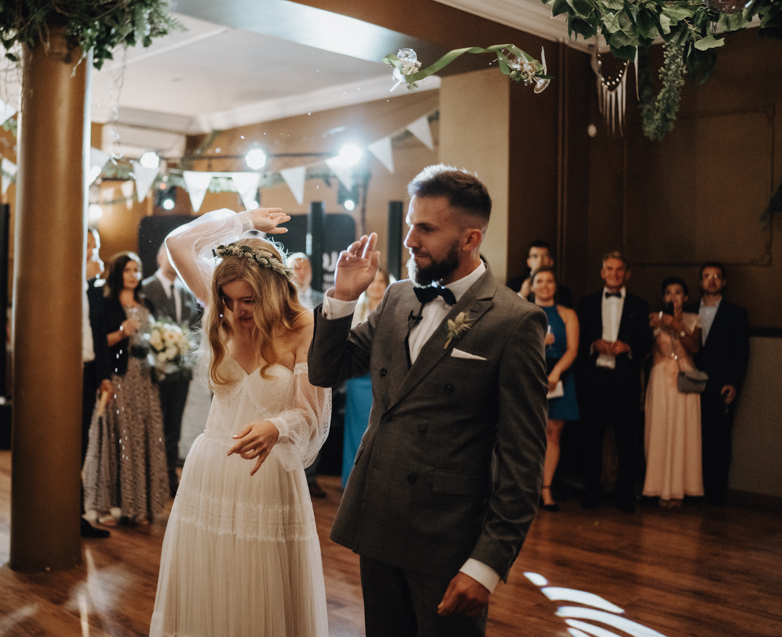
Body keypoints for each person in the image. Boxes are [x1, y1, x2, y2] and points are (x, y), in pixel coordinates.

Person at [309, 165, 548, 637]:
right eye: (410, 225)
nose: (409, 241)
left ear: (471, 238)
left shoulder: (515, 321)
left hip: (448, 539)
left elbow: (523, 461)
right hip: (378, 519)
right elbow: (326, 371)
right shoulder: (397, 298)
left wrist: (486, 564)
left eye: (426, 228)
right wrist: (342, 298)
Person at [151, 207, 332, 637]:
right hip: (210, 470)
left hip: (267, 475)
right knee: (209, 586)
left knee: (260, 596)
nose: (236, 312)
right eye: (228, 300)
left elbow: (312, 414)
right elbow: (178, 243)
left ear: (272, 289)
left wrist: (276, 427)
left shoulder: (303, 326)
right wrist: (243, 220)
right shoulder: (224, 312)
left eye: (248, 301)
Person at [83, 252, 169, 526]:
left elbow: (156, 338)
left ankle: (139, 505)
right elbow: (98, 343)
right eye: (128, 270)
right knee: (117, 437)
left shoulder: (147, 303)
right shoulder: (107, 304)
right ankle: (106, 506)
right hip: (119, 375)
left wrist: (165, 348)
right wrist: (121, 332)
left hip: (144, 379)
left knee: (143, 437)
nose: (133, 275)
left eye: (137, 270)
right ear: (118, 273)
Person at [576, 251, 652, 512]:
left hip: (624, 381)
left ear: (627, 274)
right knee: (591, 438)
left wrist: (627, 347)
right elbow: (577, 339)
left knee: (626, 440)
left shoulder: (640, 305)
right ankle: (591, 491)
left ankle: (624, 494)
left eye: (619, 269)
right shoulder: (586, 303)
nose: (614, 274)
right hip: (594, 379)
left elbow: (646, 343)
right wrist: (593, 344)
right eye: (609, 268)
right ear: (602, 272)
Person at [684, 262, 749, 506]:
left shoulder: (736, 313)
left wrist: (733, 383)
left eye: (717, 276)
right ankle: (693, 489)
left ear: (724, 282)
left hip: (721, 384)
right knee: (692, 436)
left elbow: (741, 353)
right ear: (700, 281)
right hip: (690, 381)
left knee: (720, 439)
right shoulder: (688, 310)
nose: (712, 280)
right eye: (707, 276)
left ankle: (716, 494)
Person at [140, 244, 201, 497]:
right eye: (169, 255)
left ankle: (169, 475)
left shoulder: (187, 293)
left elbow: (194, 329)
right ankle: (151, 478)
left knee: (174, 425)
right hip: (152, 370)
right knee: (153, 425)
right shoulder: (145, 289)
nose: (174, 260)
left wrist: (188, 350)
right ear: (159, 257)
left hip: (181, 370)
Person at [643, 277, 704, 508]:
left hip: (686, 378)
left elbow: (695, 347)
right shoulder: (653, 319)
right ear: (663, 297)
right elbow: (645, 350)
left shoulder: (693, 319)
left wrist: (677, 326)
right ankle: (657, 487)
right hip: (660, 376)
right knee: (659, 429)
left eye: (678, 292)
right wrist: (656, 327)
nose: (673, 296)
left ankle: (681, 488)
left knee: (684, 431)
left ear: (685, 297)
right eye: (668, 292)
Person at [530, 267, 579, 512]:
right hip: (530, 376)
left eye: (549, 280)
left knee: (553, 433)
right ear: (532, 285)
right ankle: (527, 490)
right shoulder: (524, 311)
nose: (545, 285)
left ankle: (546, 489)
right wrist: (538, 343)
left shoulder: (567, 314)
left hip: (559, 376)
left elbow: (573, 349)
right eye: (539, 280)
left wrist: (556, 372)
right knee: (529, 433)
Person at [341, 266, 392, 488]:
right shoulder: (356, 310)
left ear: (387, 285)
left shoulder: (393, 310)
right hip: (358, 378)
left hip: (384, 377)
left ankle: (374, 483)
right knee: (356, 429)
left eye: (381, 281)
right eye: (373, 282)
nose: (376, 286)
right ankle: (350, 480)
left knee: (379, 430)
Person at [81, 228, 113, 539]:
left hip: (90, 371)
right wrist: (86, 279)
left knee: (81, 441)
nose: (94, 253)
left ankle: (75, 514)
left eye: (96, 247)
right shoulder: (67, 283)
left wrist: (104, 375)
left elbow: (98, 332)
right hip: (67, 372)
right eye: (88, 246)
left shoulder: (93, 287)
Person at [287, 251, 325, 497]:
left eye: (304, 268)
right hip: (287, 368)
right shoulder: (281, 301)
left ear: (311, 272)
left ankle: (310, 477)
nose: (299, 272)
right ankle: (289, 474)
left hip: (317, 368)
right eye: (295, 268)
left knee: (314, 419)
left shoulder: (323, 300)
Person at [505, 240, 573, 307]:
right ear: (528, 262)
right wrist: (522, 294)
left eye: (545, 255)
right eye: (535, 256)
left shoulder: (564, 292)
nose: (540, 260)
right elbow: (506, 310)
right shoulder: (513, 285)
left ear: (551, 261)